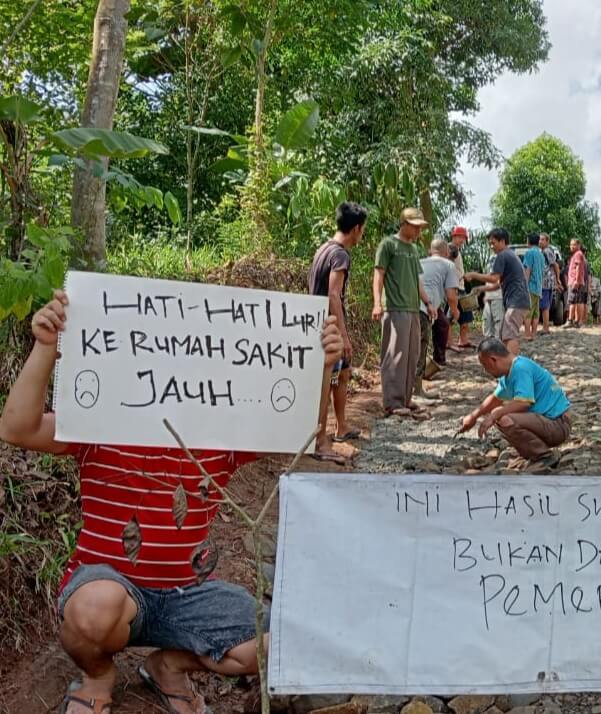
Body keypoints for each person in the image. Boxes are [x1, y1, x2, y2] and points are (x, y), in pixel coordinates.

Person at [0, 290, 343, 714]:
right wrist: (46, 346)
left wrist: (319, 366)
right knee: (95, 608)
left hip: (188, 596)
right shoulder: (100, 424)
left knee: (283, 642)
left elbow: (299, 432)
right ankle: (97, 676)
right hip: (108, 587)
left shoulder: (222, 437)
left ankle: (168, 666)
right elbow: (17, 428)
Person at [307, 201, 366, 461]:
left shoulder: (323, 249)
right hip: (328, 329)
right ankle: (320, 442)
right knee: (325, 383)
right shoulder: (340, 255)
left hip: (318, 323)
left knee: (342, 374)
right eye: (363, 229)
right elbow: (333, 294)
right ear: (356, 229)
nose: (362, 234)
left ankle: (341, 427)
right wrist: (343, 334)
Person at [459, 338, 571, 472]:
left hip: (558, 424)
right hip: (549, 422)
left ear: (493, 360)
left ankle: (543, 456)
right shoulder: (508, 373)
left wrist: (494, 415)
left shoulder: (520, 368)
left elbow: (524, 402)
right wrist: (473, 416)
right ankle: (533, 454)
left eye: (485, 365)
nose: (485, 370)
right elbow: (495, 398)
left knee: (504, 418)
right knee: (499, 414)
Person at [373, 207, 436, 419]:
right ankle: (392, 402)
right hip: (394, 307)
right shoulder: (388, 244)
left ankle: (406, 399)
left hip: (413, 308)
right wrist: (376, 303)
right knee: (395, 355)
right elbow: (379, 274)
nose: (419, 231)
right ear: (404, 224)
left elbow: (417, 279)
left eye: (420, 227)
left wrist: (428, 302)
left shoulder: (413, 249)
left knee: (412, 355)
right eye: (415, 226)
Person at [465, 228, 530, 356]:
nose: (491, 246)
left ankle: (511, 363)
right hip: (519, 301)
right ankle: (507, 361)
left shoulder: (502, 255)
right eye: (490, 243)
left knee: (509, 334)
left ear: (502, 241)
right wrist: (481, 289)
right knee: (506, 333)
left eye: (493, 243)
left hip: (516, 301)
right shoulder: (510, 255)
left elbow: (494, 278)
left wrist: (473, 275)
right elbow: (497, 284)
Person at [419, 238, 461, 384]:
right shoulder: (449, 265)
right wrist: (455, 311)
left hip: (416, 304)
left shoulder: (420, 262)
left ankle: (439, 359)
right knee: (422, 341)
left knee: (442, 323)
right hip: (425, 307)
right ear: (447, 252)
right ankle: (419, 377)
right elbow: (451, 296)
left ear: (430, 251)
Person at [449, 226, 476, 350]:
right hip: (453, 287)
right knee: (450, 317)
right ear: (454, 237)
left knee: (466, 316)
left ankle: (463, 340)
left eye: (464, 238)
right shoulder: (450, 249)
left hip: (461, 286)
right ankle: (449, 342)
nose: (462, 240)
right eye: (460, 237)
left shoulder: (457, 250)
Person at [521, 233, 547, 342]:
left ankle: (527, 334)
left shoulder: (529, 253)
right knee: (536, 312)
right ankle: (534, 334)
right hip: (538, 287)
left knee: (528, 311)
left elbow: (528, 270)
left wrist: (524, 285)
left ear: (529, 241)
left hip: (530, 286)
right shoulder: (541, 255)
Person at [539, 233, 562, 335]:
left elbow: (555, 265)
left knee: (545, 306)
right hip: (545, 282)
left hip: (546, 282)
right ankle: (545, 327)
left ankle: (545, 328)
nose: (540, 241)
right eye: (540, 239)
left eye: (542, 240)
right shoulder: (543, 251)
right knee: (545, 306)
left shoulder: (547, 251)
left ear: (547, 241)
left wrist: (557, 279)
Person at [565, 239, 588, 328]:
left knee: (573, 301)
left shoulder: (578, 254)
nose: (572, 246)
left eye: (574, 244)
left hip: (575, 282)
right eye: (571, 244)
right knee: (577, 301)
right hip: (577, 281)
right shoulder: (577, 255)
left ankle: (571, 320)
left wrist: (576, 281)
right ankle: (577, 321)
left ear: (579, 245)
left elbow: (578, 268)